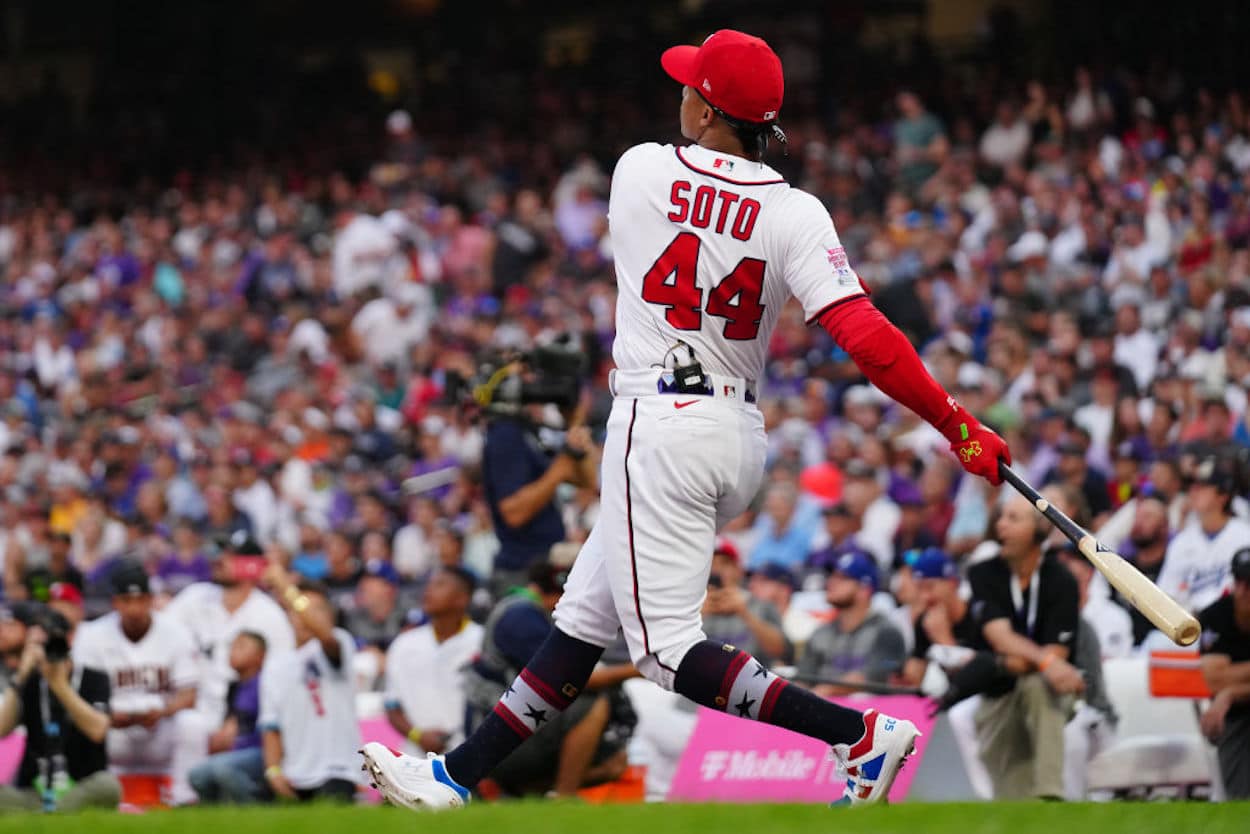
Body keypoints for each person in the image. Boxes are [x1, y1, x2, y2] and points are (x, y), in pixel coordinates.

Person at [362, 28, 1009, 810]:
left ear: (707, 110)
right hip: (734, 432)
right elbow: (865, 336)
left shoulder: (641, 169)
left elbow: (688, 223)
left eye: (691, 88)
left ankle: (859, 736)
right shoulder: (796, 211)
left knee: (665, 654)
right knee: (579, 624)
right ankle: (454, 778)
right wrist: (954, 422)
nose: (681, 95)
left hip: (657, 422)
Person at [458, 563, 635, 797]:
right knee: (592, 703)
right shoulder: (521, 614)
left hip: (496, 730)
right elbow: (567, 677)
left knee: (613, 762)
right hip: (497, 735)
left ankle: (530, 792)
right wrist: (636, 670)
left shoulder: (517, 608)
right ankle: (563, 796)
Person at [968, 495, 1084, 799]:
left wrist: (1041, 663)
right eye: (1001, 517)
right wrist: (1045, 661)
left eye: (1013, 519)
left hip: (1050, 687)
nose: (1000, 525)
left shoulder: (1061, 580)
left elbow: (1058, 655)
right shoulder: (983, 573)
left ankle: (1050, 793)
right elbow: (999, 636)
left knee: (1036, 684)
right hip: (998, 691)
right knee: (1010, 796)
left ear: (1039, 531)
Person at [71, 562, 199, 791]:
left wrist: (163, 711)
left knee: (192, 723)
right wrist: (108, 715)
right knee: (81, 725)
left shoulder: (176, 632)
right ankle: (91, 793)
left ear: (150, 600)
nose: (134, 609)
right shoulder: (91, 635)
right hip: (112, 731)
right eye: (126, 601)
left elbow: (189, 695)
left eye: (140, 600)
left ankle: (185, 797)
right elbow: (82, 697)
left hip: (160, 728)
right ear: (114, 603)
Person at [0, 606, 120, 812]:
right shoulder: (28, 682)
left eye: (50, 642)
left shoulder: (93, 678)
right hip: (35, 790)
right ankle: (53, 813)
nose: (46, 650)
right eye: (37, 643)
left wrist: (60, 686)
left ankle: (52, 814)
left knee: (108, 786)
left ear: (69, 639)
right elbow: (1, 729)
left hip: (82, 784)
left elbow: (98, 730)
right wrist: (21, 675)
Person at [258, 568, 361, 802]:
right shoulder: (275, 664)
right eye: (298, 611)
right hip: (294, 773)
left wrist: (287, 589)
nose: (303, 617)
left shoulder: (338, 644)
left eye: (316, 610)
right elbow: (270, 726)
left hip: (338, 772)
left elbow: (325, 636)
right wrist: (273, 771)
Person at [480, 393, 597, 598]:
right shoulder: (506, 433)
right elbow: (514, 514)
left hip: (547, 566)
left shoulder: (531, 430)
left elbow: (587, 480)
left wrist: (575, 423)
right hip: (521, 572)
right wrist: (559, 470)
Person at [384, 567, 484, 756]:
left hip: (470, 757)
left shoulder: (482, 641)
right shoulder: (404, 643)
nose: (428, 591)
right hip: (414, 760)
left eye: (440, 585)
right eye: (429, 585)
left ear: (461, 598)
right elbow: (391, 705)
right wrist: (417, 736)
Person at [797, 550, 905, 695]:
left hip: (868, 713)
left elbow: (873, 678)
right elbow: (802, 679)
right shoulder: (821, 632)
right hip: (818, 712)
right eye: (833, 576)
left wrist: (820, 695)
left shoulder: (886, 632)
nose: (831, 582)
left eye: (842, 578)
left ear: (864, 590)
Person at [1157, 457, 1250, 615]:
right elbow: (1165, 595)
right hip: (1186, 627)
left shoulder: (1244, 535)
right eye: (1192, 487)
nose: (1193, 492)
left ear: (1223, 496)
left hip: (1232, 623)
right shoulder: (1181, 542)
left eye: (1202, 487)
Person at [188, 631, 269, 804]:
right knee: (197, 775)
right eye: (232, 647)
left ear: (261, 656)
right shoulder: (235, 687)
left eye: (241, 646)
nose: (233, 651)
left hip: (261, 750)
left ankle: (258, 808)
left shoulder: (266, 684)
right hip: (236, 751)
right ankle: (215, 818)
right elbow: (229, 724)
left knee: (223, 768)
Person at [1197, 547, 1250, 799]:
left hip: (1230, 703)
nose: (1243, 591)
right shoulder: (1215, 615)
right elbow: (1213, 679)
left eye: (1249, 584)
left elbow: (1223, 682)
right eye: (1240, 581)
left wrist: (1230, 691)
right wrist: (1227, 693)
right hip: (1235, 714)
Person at [702, 539, 791, 666]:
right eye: (711, 563)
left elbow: (781, 651)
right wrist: (700, 614)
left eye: (724, 564)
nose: (717, 570)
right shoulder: (691, 608)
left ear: (739, 569)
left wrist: (744, 612)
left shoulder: (762, 605)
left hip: (750, 680)